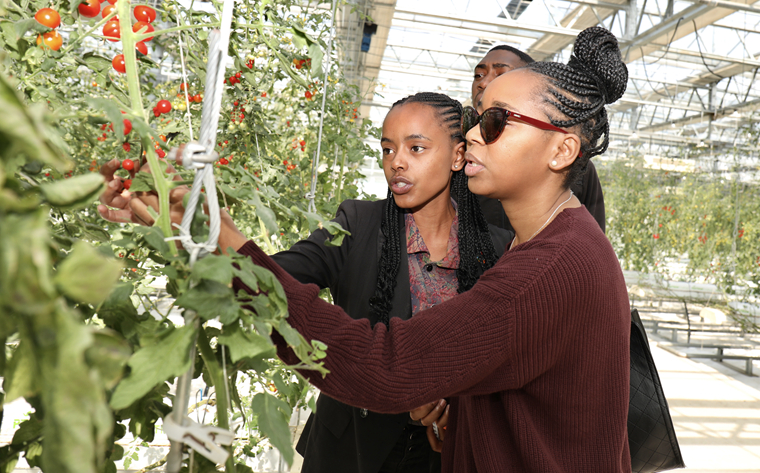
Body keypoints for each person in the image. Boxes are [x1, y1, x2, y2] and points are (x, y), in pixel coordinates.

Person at [98, 92, 513, 473]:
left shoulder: (497, 248)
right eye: (388, 149)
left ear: (458, 156)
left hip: (445, 456)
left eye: (416, 148)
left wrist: (455, 407)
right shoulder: (358, 224)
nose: (396, 162)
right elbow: (275, 277)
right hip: (348, 451)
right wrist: (183, 226)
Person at [471, 45, 607, 233]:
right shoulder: (461, 157)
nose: (484, 82)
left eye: (502, 74)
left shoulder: (579, 171)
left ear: (563, 151)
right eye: (478, 75)